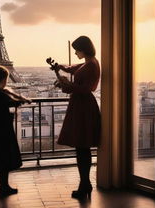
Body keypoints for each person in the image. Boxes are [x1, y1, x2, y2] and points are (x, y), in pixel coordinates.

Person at [56, 36, 101, 200]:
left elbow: (85, 88)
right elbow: (75, 68)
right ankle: (85, 184)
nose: (75, 52)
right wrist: (63, 68)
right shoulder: (91, 62)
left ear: (84, 49)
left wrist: (66, 83)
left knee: (81, 147)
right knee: (83, 147)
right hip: (83, 106)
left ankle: (85, 184)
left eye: (77, 49)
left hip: (82, 107)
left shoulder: (90, 65)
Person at [0, 66, 31, 199]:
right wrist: (23, 99)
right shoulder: (1, 94)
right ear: (4, 79)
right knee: (4, 159)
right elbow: (14, 102)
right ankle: (4, 187)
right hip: (3, 131)